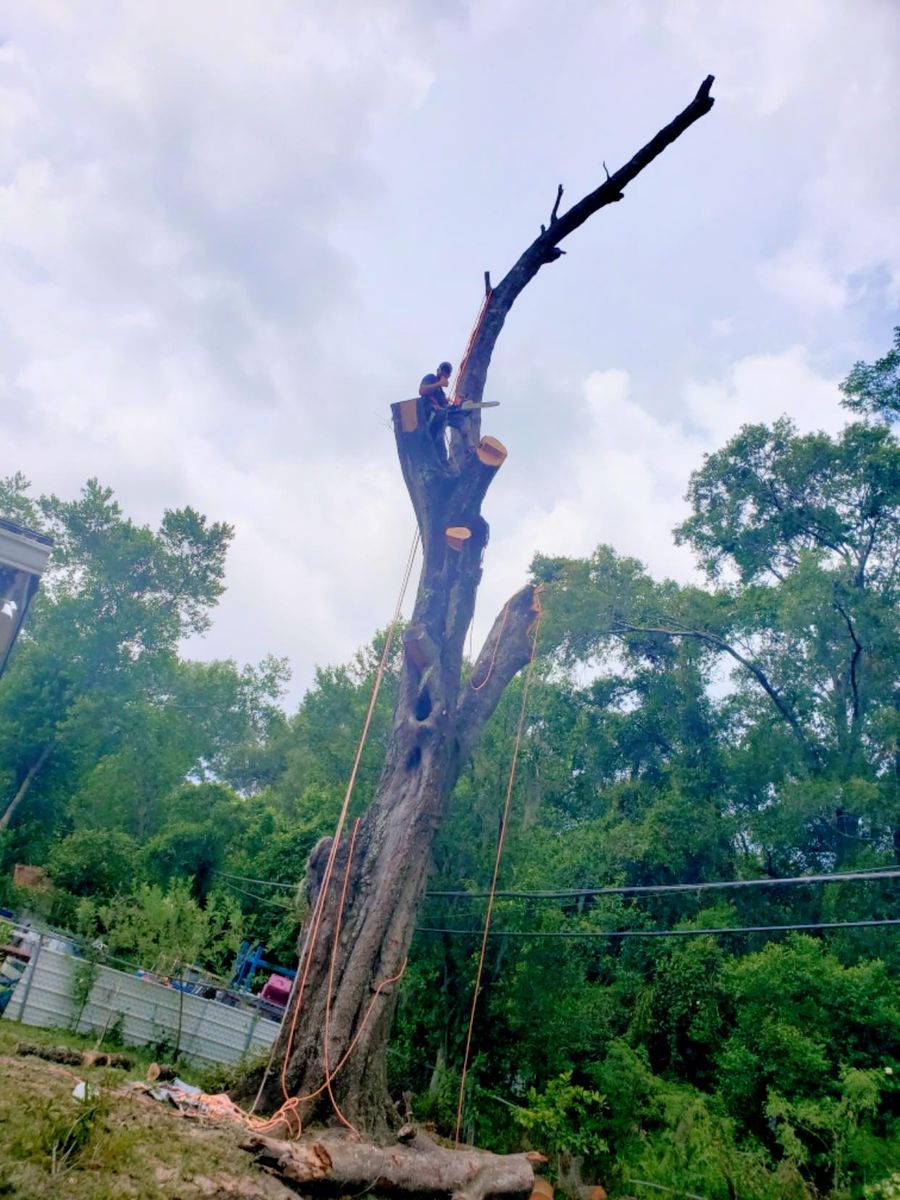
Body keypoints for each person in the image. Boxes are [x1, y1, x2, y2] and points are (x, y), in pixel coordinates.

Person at [419, 361, 461, 450]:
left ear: (449, 376)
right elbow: (422, 391)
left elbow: (445, 406)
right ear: (438, 370)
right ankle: (427, 435)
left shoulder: (441, 393)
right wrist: (439, 384)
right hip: (426, 412)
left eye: (447, 372)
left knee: (440, 433)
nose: (444, 373)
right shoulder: (431, 378)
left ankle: (441, 457)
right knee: (440, 414)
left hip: (437, 419)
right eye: (443, 370)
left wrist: (457, 404)